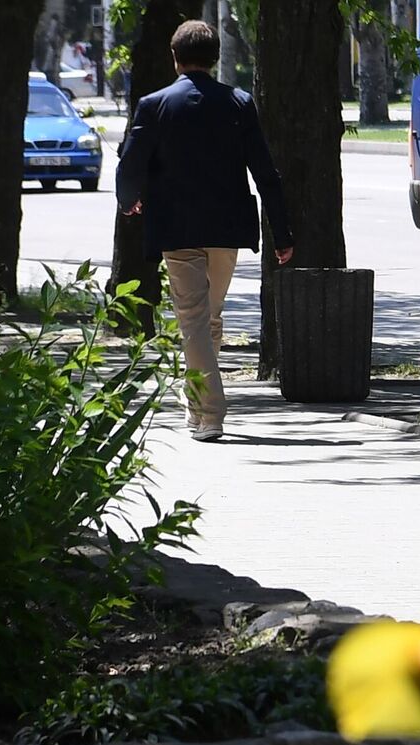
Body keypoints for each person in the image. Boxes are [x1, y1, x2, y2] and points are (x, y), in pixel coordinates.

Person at [115, 19, 294, 443]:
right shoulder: (238, 103)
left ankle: (208, 413)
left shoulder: (154, 105)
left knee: (201, 321)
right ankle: (202, 407)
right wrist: (282, 233)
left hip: (177, 229)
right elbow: (265, 172)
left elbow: (130, 162)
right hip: (226, 229)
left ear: (174, 58)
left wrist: (128, 200)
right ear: (214, 59)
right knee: (203, 318)